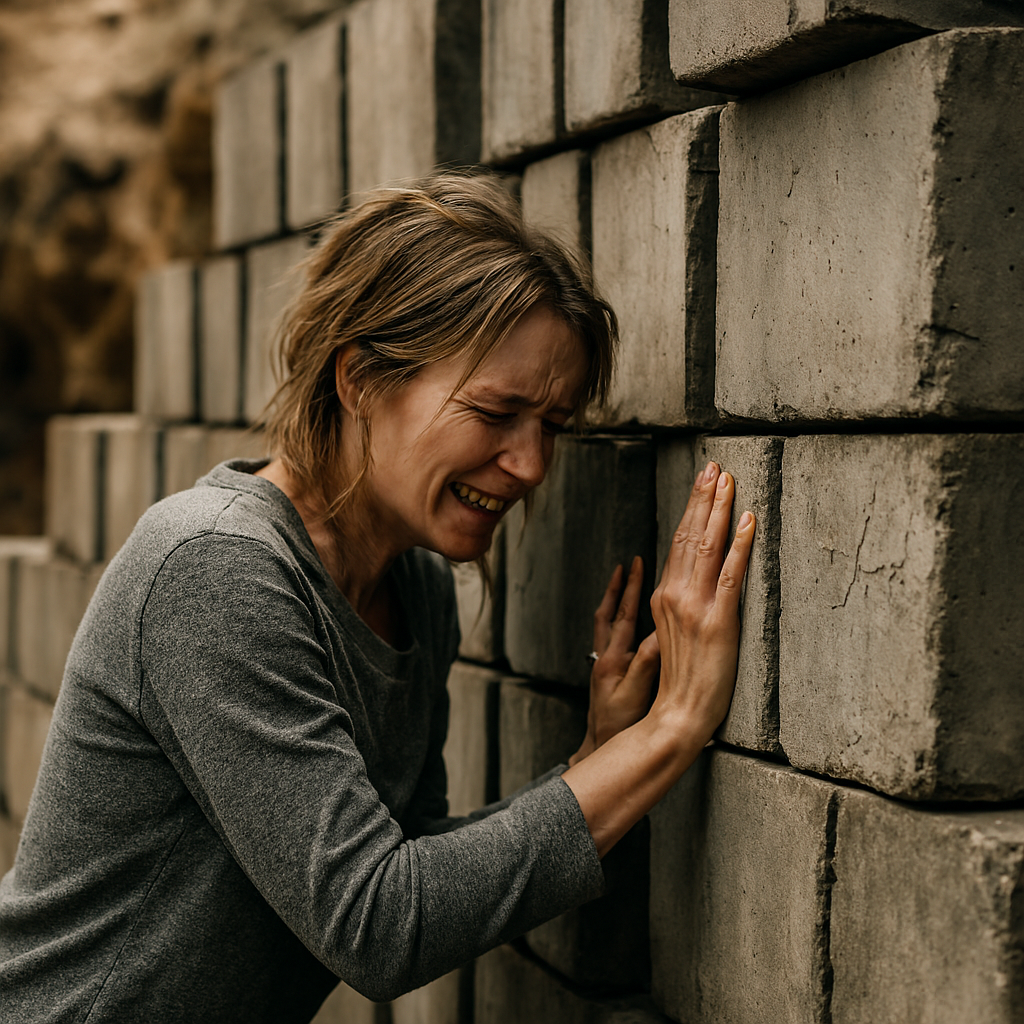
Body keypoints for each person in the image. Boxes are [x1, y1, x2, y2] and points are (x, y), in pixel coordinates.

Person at [0, 173, 755, 1022]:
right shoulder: (216, 567)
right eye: (497, 411)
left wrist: (598, 758)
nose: (532, 464)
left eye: (551, 425)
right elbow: (380, 924)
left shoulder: (416, 590)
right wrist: (674, 726)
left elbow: (407, 860)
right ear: (360, 379)